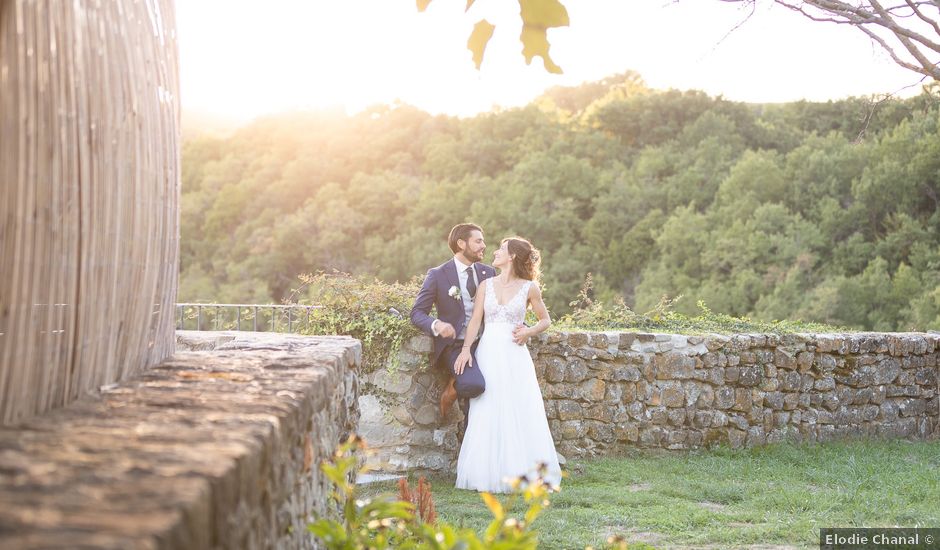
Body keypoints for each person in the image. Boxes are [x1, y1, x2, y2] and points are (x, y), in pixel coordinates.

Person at [453, 236, 562, 493]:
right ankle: (485, 474)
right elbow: (475, 321)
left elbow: (545, 320)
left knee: (518, 408)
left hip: (514, 355)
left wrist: (529, 332)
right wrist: (466, 350)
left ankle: (520, 472)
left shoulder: (529, 288)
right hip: (489, 351)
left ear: (512, 255)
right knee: (487, 407)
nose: (495, 252)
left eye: (501, 249)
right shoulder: (486, 285)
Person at [410, 223, 495, 442]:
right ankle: (453, 386)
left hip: (486, 344)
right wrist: (437, 325)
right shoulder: (438, 275)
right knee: (474, 385)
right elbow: (417, 313)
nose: (483, 246)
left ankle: (475, 451)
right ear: (461, 244)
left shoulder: (488, 273)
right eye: (478, 241)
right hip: (455, 346)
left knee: (487, 398)